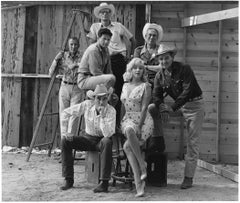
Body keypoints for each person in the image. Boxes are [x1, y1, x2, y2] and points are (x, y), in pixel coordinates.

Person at [148, 44, 205, 189]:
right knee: (152, 108)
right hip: (179, 107)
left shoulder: (185, 69)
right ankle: (157, 140)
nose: (164, 62)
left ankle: (188, 178)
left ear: (172, 58)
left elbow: (187, 92)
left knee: (192, 142)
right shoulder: (159, 76)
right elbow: (156, 96)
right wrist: (163, 108)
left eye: (166, 58)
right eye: (161, 59)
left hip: (194, 106)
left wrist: (171, 108)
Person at [87, 2, 136, 127]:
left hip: (117, 60)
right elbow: (91, 45)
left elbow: (132, 39)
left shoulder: (118, 26)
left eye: (107, 12)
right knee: (101, 91)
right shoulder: (95, 27)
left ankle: (117, 123)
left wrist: (130, 57)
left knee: (118, 91)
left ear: (110, 14)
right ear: (99, 14)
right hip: (102, 61)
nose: (105, 14)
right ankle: (100, 122)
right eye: (102, 12)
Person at [60, 84, 116, 193]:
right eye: (98, 98)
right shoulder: (87, 105)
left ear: (107, 98)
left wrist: (103, 117)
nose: (101, 102)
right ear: (93, 98)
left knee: (107, 141)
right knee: (65, 141)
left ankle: (104, 183)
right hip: (87, 138)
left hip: (102, 140)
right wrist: (66, 132)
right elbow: (65, 113)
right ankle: (68, 179)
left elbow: (108, 134)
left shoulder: (111, 111)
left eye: (104, 98)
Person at [121, 58, 154, 197]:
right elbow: (123, 106)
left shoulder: (146, 86)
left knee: (127, 147)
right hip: (128, 119)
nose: (138, 70)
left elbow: (145, 107)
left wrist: (140, 126)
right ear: (130, 70)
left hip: (143, 119)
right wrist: (120, 123)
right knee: (128, 131)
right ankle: (142, 166)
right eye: (135, 67)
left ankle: (139, 182)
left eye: (140, 68)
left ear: (143, 71)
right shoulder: (124, 86)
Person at [134, 23, 165, 153]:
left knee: (153, 111)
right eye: (149, 35)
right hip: (141, 82)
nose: (152, 37)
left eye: (154, 35)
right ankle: (138, 142)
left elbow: (162, 67)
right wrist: (147, 69)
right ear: (145, 36)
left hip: (157, 83)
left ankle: (154, 144)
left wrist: (145, 67)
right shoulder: (138, 50)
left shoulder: (160, 49)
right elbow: (135, 66)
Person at [49, 37, 84, 136]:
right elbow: (50, 72)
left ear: (78, 45)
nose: (73, 47)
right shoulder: (63, 56)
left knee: (74, 114)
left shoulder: (82, 56)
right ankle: (64, 141)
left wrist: (76, 65)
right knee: (63, 113)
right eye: (71, 44)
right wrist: (56, 59)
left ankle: (70, 141)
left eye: (75, 44)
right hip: (65, 85)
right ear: (68, 45)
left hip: (77, 87)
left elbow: (85, 66)